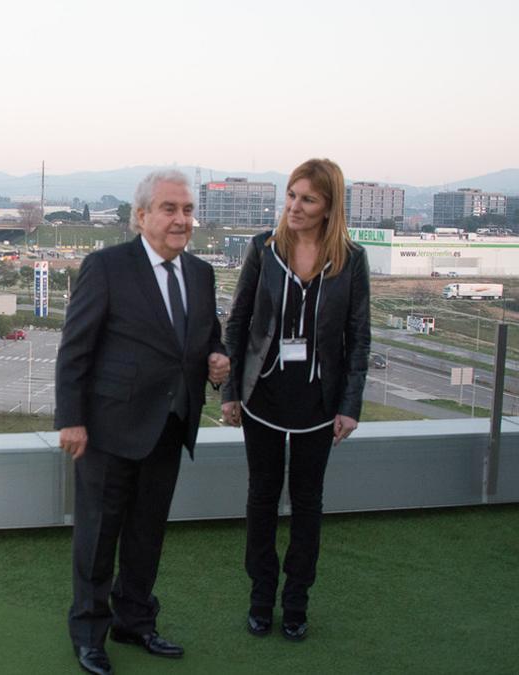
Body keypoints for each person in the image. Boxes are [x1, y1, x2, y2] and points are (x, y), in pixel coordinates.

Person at [56, 169, 229, 675]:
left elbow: (204, 338)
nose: (181, 220)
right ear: (141, 216)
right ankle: (89, 634)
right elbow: (75, 351)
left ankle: (135, 621)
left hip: (170, 427)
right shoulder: (106, 266)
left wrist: (217, 359)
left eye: (187, 210)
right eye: (169, 209)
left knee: (146, 536)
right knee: (98, 537)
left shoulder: (200, 273)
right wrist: (72, 420)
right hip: (108, 432)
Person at [220, 158, 370, 642]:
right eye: (291, 195)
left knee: (307, 502)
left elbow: (358, 338)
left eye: (308, 199)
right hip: (263, 395)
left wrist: (350, 404)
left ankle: (297, 602)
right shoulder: (262, 250)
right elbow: (238, 323)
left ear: (329, 207)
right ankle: (261, 598)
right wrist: (230, 392)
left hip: (318, 402)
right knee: (262, 497)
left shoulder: (352, 259)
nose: (294, 207)